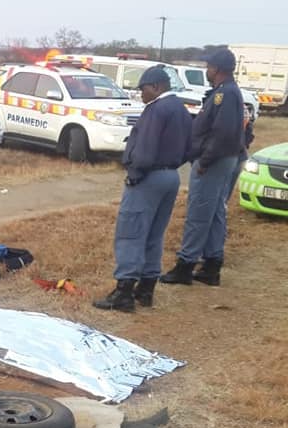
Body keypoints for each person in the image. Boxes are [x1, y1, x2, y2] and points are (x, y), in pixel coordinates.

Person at [93, 67, 192, 312]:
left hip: (148, 177)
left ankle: (123, 293)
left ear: (156, 86)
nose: (141, 94)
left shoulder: (156, 109)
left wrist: (134, 175)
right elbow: (190, 147)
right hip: (171, 176)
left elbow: (145, 150)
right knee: (154, 234)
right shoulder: (180, 108)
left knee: (131, 233)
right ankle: (146, 290)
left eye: (143, 88)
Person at [161, 49, 245, 287]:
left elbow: (222, 132)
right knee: (215, 212)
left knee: (199, 213)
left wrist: (204, 161)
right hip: (222, 158)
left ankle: (185, 266)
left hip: (215, 160)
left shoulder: (225, 94)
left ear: (217, 69)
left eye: (208, 67)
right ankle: (211, 264)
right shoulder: (226, 92)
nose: (207, 71)